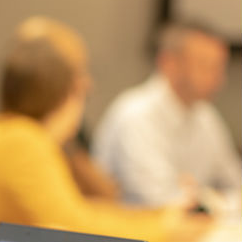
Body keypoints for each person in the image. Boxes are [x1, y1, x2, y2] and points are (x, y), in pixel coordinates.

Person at [0, 16, 211, 242]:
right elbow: (73, 228)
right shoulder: (22, 141)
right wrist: (164, 230)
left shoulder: (2, 130)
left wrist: (159, 217)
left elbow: (79, 211)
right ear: (69, 89)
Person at [93, 20, 241, 215]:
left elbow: (236, 185)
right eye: (206, 65)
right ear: (168, 62)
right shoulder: (136, 115)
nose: (219, 77)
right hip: (138, 239)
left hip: (187, 237)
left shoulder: (206, 116)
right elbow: (159, 202)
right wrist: (207, 199)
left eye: (220, 67)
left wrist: (203, 197)